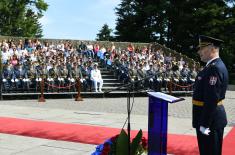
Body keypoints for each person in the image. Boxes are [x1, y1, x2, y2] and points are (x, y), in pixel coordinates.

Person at [192, 35, 228, 155]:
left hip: (210, 121)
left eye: (202, 48)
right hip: (207, 118)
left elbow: (212, 98)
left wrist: (204, 124)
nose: (199, 51)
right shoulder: (210, 67)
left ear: (212, 48)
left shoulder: (215, 68)